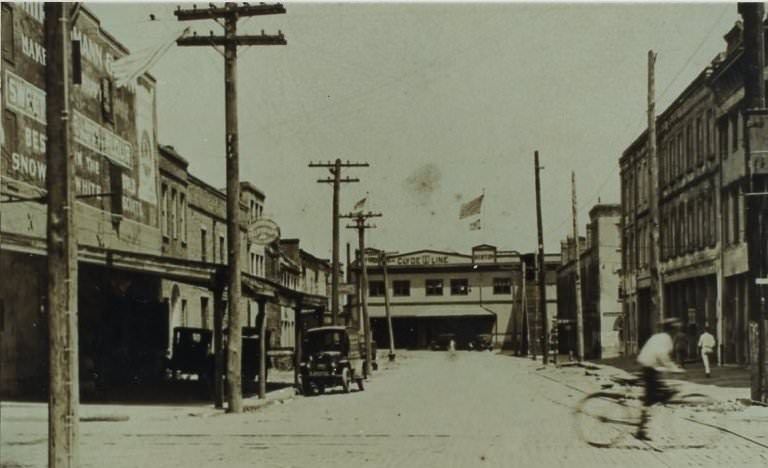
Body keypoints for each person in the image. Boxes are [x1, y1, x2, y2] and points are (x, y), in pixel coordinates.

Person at [635, 317, 685, 441]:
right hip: (650, 368)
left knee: (650, 398)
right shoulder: (666, 339)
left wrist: (666, 367)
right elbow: (661, 355)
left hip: (647, 365)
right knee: (654, 398)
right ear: (672, 330)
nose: (677, 332)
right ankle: (641, 429)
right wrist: (673, 368)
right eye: (676, 329)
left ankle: (642, 428)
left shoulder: (657, 336)